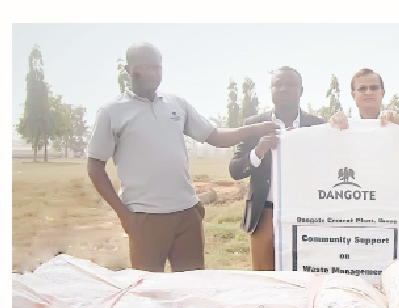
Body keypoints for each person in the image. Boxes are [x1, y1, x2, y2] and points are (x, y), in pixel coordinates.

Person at [87, 42, 278, 273]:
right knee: (150, 290)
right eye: (145, 67)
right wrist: (124, 216)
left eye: (157, 67)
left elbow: (215, 136)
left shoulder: (176, 105)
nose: (153, 74)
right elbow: (95, 168)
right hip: (145, 217)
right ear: (128, 69)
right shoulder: (112, 112)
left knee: (192, 288)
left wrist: (254, 130)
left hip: (186, 214)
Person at [229, 67, 325, 271]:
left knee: (302, 276)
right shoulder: (254, 125)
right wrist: (259, 150)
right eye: (277, 85)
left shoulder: (317, 126)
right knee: (265, 280)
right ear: (271, 90)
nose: (283, 89)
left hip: (304, 214)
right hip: (265, 213)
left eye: (290, 84)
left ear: (301, 90)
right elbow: (236, 170)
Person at [329, 68, 399, 129]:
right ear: (353, 95)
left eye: (374, 88)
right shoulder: (342, 126)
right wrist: (332, 127)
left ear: (382, 93)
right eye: (362, 89)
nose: (368, 92)